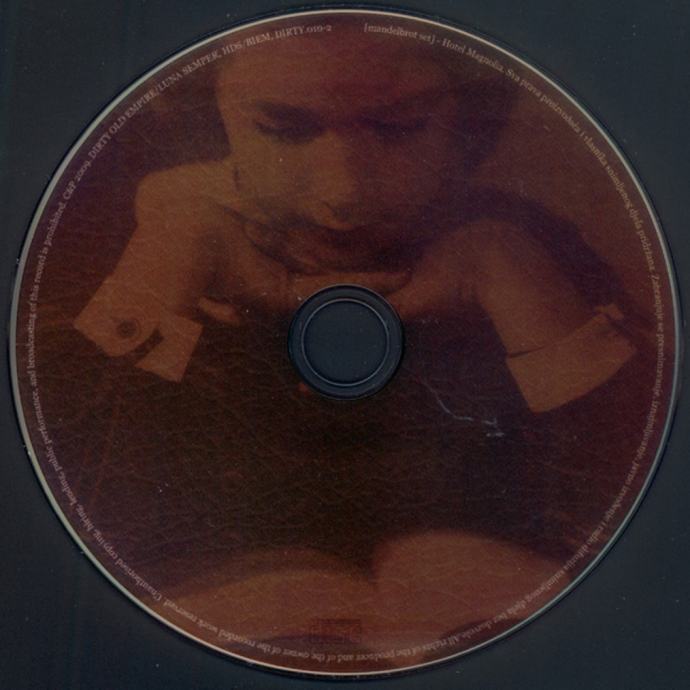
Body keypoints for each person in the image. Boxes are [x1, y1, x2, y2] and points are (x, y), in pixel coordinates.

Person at [66, 24, 644, 664]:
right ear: (208, 120)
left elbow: (635, 510)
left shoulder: (526, 245)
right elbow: (70, 513)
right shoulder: (139, 240)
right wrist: (172, 271)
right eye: (282, 130)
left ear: (467, 122)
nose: (343, 195)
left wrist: (503, 271)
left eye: (399, 129)